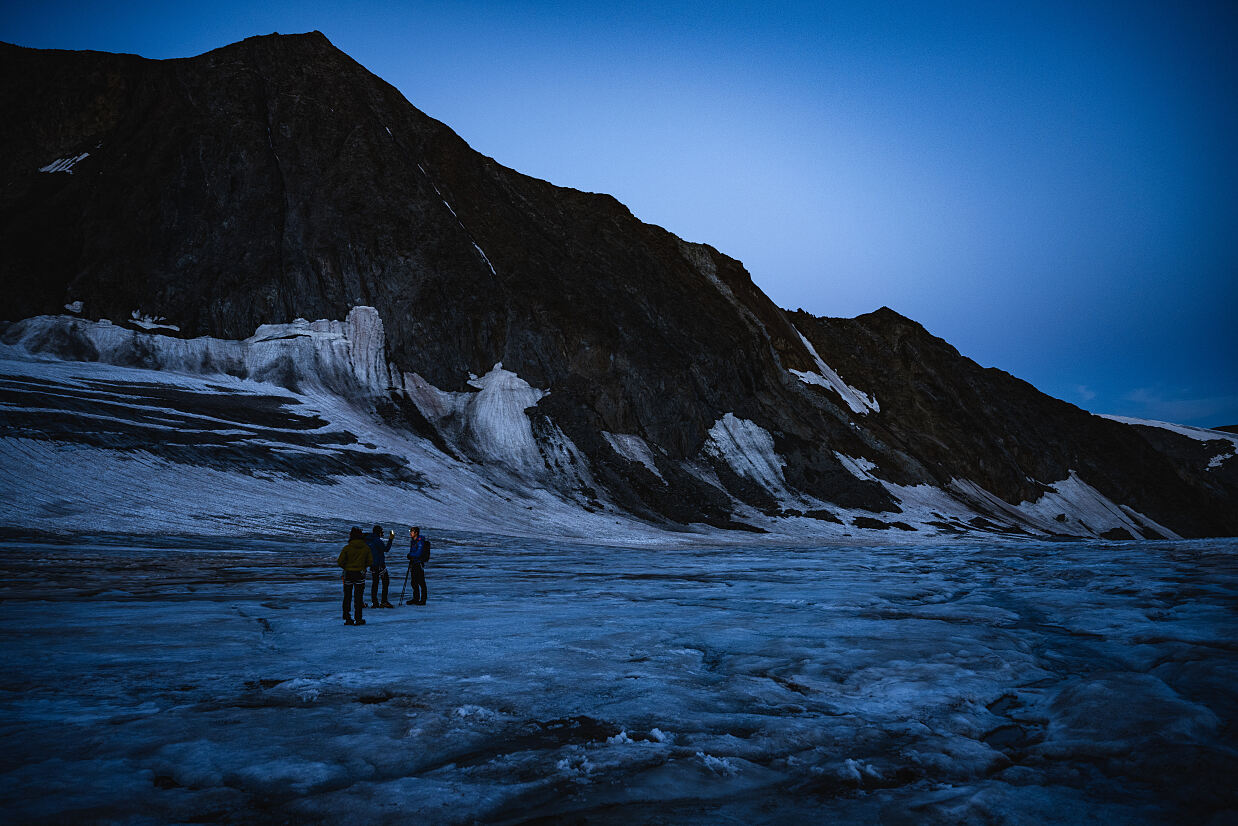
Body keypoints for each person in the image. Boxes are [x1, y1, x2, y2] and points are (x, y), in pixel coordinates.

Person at [337, 526, 373, 626]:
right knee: (358, 597)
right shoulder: (366, 548)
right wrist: (363, 567)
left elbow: (340, 562)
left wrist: (347, 567)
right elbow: (370, 561)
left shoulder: (347, 548)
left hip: (348, 573)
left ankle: (347, 617)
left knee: (347, 596)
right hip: (360, 574)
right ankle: (358, 618)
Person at [366, 524, 395, 608]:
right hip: (379, 565)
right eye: (382, 532)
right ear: (379, 532)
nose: (382, 533)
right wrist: (391, 539)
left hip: (372, 565)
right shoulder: (377, 540)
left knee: (375, 583)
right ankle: (384, 601)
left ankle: (375, 602)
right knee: (385, 582)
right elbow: (386, 549)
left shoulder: (368, 540)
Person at [406, 526, 430, 605]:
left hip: (418, 563)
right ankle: (416, 598)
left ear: (416, 532)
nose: (410, 533)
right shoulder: (413, 541)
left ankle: (423, 600)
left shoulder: (419, 542)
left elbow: (418, 553)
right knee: (414, 582)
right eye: (410, 531)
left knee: (421, 582)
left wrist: (410, 555)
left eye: (412, 531)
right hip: (414, 563)